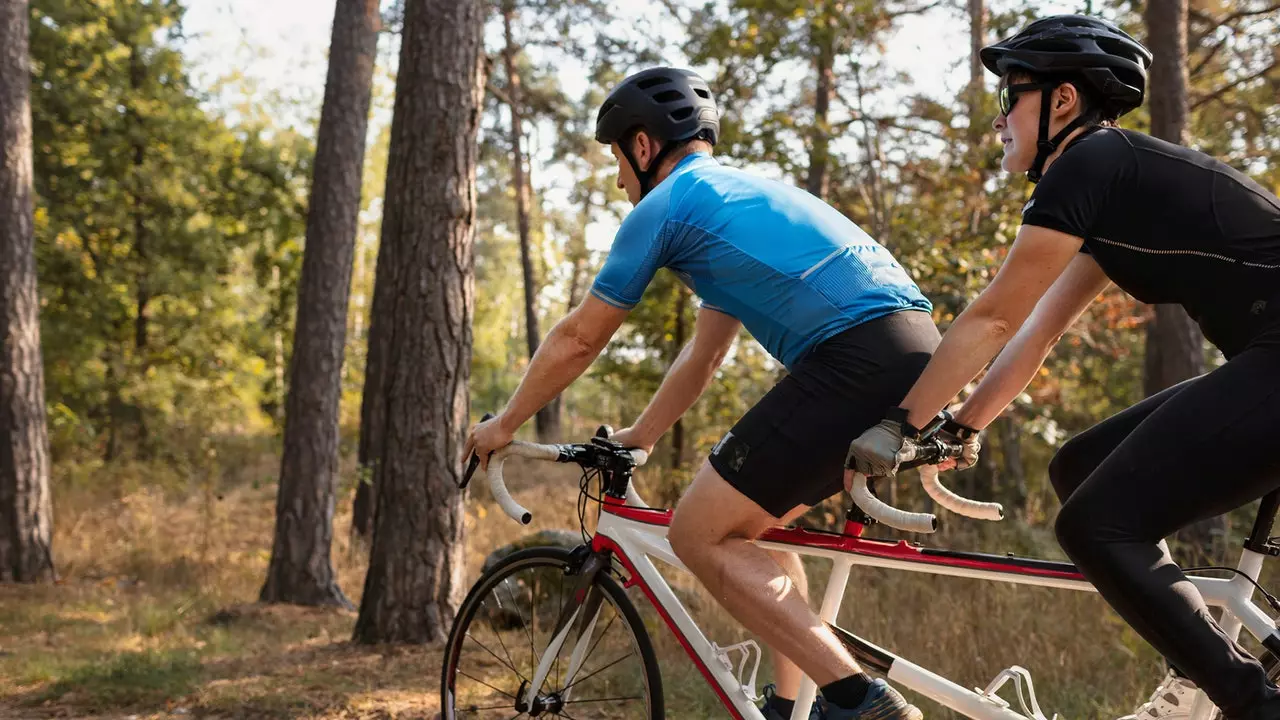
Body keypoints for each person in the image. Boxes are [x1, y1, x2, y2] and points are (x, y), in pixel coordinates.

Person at [463, 66, 937, 719]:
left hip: (855, 356)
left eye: (617, 160)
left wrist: (505, 424)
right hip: (916, 351)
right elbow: (705, 352)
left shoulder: (669, 204)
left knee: (697, 533)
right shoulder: (730, 201)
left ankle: (859, 701)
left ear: (642, 144)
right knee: (750, 534)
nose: (617, 179)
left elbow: (579, 337)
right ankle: (791, 707)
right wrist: (640, 437)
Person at [845, 14, 1280, 720]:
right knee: (1077, 471)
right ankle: (1199, 681)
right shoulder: (1110, 185)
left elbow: (993, 317)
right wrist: (959, 426)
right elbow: (1035, 333)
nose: (999, 121)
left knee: (1097, 526)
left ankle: (1251, 704)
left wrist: (900, 421)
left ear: (1063, 102)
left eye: (1009, 96)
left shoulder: (1089, 162)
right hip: (1267, 360)